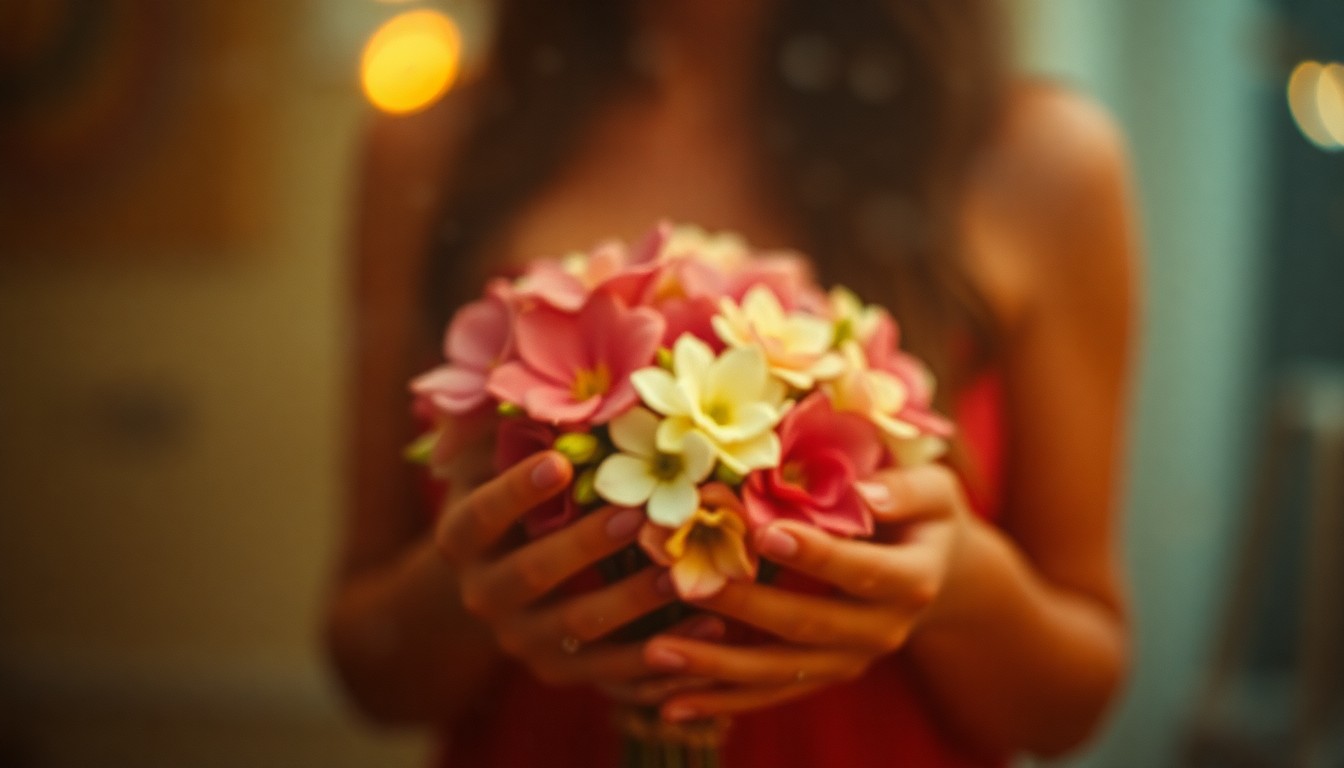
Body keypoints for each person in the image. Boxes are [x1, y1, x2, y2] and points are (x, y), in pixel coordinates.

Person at [324, 1, 1137, 765]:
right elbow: (371, 673)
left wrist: (966, 592)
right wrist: (468, 588)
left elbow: (1070, 709)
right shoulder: (433, 146)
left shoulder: (1040, 159)